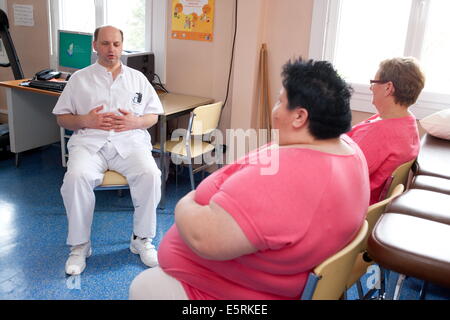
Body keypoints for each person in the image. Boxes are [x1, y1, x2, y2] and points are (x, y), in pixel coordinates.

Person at [129, 58, 370, 300]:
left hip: (228, 292)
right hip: (270, 277)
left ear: (299, 117)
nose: (275, 110)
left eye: (280, 101)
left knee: (142, 287)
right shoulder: (349, 149)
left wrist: (186, 202)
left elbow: (203, 238)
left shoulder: (288, 179)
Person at [53, 25, 163, 276]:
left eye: (115, 44)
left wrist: (136, 122)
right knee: (76, 177)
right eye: (105, 43)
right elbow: (62, 118)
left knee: (151, 175)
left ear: (122, 46)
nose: (111, 49)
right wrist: (85, 121)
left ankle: (141, 239)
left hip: (129, 141)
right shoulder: (79, 78)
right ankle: (80, 246)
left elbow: (153, 115)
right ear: (95, 46)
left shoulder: (137, 78)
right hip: (90, 143)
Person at [347, 57, 425, 204]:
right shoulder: (407, 122)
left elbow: (343, 175)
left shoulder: (381, 134)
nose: (371, 88)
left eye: (374, 82)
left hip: (350, 203)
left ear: (388, 87)